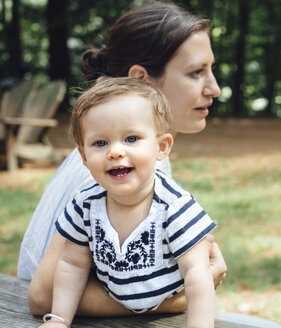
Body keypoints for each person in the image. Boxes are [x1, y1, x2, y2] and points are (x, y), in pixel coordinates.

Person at [20, 2, 281, 327]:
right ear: (142, 80)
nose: (213, 88)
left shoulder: (131, 162)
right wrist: (180, 299)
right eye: (195, 72)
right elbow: (41, 296)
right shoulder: (101, 174)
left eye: (211, 70)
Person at [39, 77, 216, 328]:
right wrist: (59, 320)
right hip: (113, 313)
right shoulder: (85, 204)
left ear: (161, 147)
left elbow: (197, 275)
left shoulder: (173, 207)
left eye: (131, 139)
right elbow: (72, 264)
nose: (115, 151)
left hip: (172, 314)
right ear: (84, 156)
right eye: (100, 143)